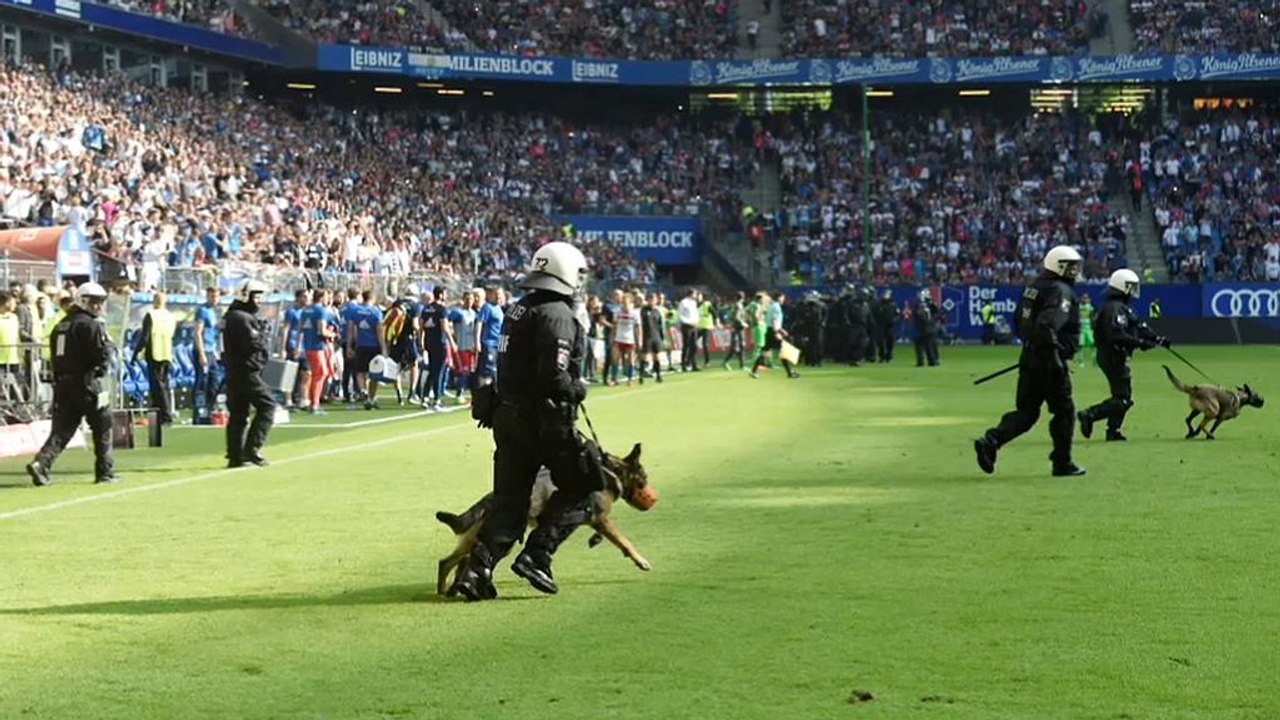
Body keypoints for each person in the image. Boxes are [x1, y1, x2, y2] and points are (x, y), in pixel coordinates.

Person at [449, 242, 597, 602]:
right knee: (585, 487)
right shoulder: (557, 313)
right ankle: (538, 555)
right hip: (544, 420)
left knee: (509, 502)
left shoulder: (519, 308)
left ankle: (475, 573)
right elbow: (553, 376)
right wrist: (578, 390)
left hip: (507, 416)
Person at [973, 246, 1086, 477]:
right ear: (1060, 266)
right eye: (1071, 267)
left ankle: (992, 439)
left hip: (1030, 357)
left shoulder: (1032, 288)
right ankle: (1062, 462)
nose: (1075, 272)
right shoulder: (1060, 290)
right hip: (1050, 360)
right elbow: (1047, 324)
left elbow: (1019, 323)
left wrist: (1033, 348)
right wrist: (1053, 356)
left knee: (1026, 412)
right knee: (1064, 410)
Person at [27, 282, 118, 486]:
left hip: (62, 382)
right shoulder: (91, 325)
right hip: (86, 381)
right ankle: (105, 471)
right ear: (84, 301)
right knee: (102, 424)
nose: (99, 307)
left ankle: (41, 464)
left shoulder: (61, 325)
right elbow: (100, 356)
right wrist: (108, 351)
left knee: (63, 428)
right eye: (95, 302)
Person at [1077, 269, 1169, 442]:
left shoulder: (1121, 307)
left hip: (1113, 355)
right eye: (1131, 287)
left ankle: (1113, 431)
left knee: (1121, 395)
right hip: (1112, 356)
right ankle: (1090, 414)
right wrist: (1141, 344)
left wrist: (1157, 339)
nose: (1134, 290)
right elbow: (1116, 335)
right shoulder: (1115, 309)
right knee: (1123, 399)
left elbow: (1139, 327)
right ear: (1123, 287)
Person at [222, 280, 274, 468]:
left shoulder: (231, 316)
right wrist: (262, 335)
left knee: (238, 413)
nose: (259, 301)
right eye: (256, 296)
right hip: (246, 370)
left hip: (234, 370)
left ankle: (235, 455)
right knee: (267, 406)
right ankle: (251, 449)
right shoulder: (241, 318)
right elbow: (253, 344)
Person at [133, 291, 176, 425]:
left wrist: (135, 353)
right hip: (167, 352)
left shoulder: (151, 315)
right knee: (165, 385)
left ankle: (165, 416)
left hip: (154, 352)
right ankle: (161, 414)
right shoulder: (170, 316)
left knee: (157, 387)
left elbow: (145, 336)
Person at [348, 290, 384, 410]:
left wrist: (349, 346)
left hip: (361, 345)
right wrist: (383, 348)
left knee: (360, 372)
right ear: (373, 298)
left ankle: (363, 390)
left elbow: (351, 330)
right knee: (374, 373)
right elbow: (379, 332)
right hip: (373, 346)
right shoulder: (376, 312)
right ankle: (371, 398)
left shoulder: (355, 311)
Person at [750, 293, 798, 379]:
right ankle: (790, 372)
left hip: (768, 330)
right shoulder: (776, 307)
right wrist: (778, 331)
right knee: (785, 350)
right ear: (779, 298)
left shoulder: (771, 306)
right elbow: (774, 321)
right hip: (773, 331)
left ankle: (754, 371)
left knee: (765, 352)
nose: (784, 299)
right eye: (783, 298)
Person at [193, 286, 221, 421]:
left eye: (216, 296)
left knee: (214, 381)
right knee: (202, 382)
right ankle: (198, 412)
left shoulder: (215, 312)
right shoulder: (202, 311)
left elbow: (214, 333)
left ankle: (211, 409)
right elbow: (198, 332)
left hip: (212, 350)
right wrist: (201, 353)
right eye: (212, 296)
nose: (214, 299)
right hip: (204, 350)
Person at [474, 286, 504, 387]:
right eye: (496, 294)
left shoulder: (499, 308)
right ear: (490, 295)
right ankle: (483, 392)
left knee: (495, 369)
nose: (498, 297)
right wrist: (477, 341)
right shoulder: (487, 307)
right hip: (489, 343)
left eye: (499, 295)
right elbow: (479, 323)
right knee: (487, 369)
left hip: (498, 343)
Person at [640, 292, 665, 383]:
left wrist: (662, 336)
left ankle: (658, 375)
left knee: (657, 356)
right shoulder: (644, 310)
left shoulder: (657, 311)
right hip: (647, 336)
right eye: (650, 299)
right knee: (645, 356)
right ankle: (641, 375)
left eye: (653, 299)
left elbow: (660, 325)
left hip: (656, 336)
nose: (652, 301)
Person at [912, 289, 941, 367]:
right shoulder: (930, 305)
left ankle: (924, 361)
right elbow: (938, 313)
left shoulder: (919, 305)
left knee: (923, 345)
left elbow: (918, 316)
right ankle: (933, 360)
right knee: (931, 345)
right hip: (929, 327)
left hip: (922, 328)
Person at [721, 292, 748, 370]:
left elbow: (730, 316)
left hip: (734, 327)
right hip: (738, 328)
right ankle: (742, 365)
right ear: (743, 298)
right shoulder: (739, 306)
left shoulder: (734, 305)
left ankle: (729, 362)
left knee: (735, 346)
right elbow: (737, 317)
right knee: (740, 346)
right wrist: (744, 323)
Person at [677, 288, 700, 372]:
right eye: (695, 294)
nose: (696, 296)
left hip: (694, 326)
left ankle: (693, 364)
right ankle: (684, 365)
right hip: (687, 326)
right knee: (686, 346)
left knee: (694, 346)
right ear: (691, 294)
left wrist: (697, 321)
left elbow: (695, 313)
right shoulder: (683, 302)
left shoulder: (694, 303)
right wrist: (689, 322)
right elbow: (680, 315)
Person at [874, 289, 899, 362]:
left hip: (890, 326)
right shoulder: (879, 304)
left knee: (890, 342)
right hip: (881, 325)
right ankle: (881, 356)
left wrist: (894, 320)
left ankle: (889, 356)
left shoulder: (893, 304)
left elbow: (897, 314)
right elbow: (875, 314)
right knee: (880, 342)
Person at [1077, 294, 1096, 368]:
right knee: (1083, 346)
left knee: (1091, 346)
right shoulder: (1086, 307)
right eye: (1085, 299)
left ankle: (1093, 362)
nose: (1086, 300)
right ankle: (1083, 362)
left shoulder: (1083, 307)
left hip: (1085, 329)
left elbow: (1092, 316)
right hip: (1084, 329)